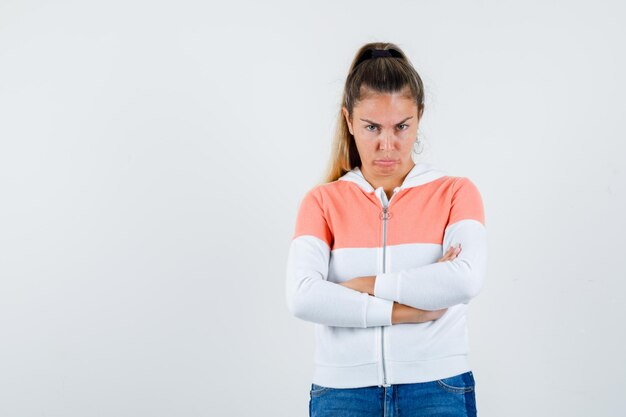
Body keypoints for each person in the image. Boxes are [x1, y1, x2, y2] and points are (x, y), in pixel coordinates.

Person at [285, 42, 487, 417]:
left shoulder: (455, 192)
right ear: (349, 120)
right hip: (342, 393)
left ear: (420, 117)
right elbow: (303, 298)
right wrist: (406, 311)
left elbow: (464, 282)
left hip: (438, 387)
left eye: (402, 127)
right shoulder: (322, 202)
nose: (387, 145)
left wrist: (362, 286)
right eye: (371, 127)